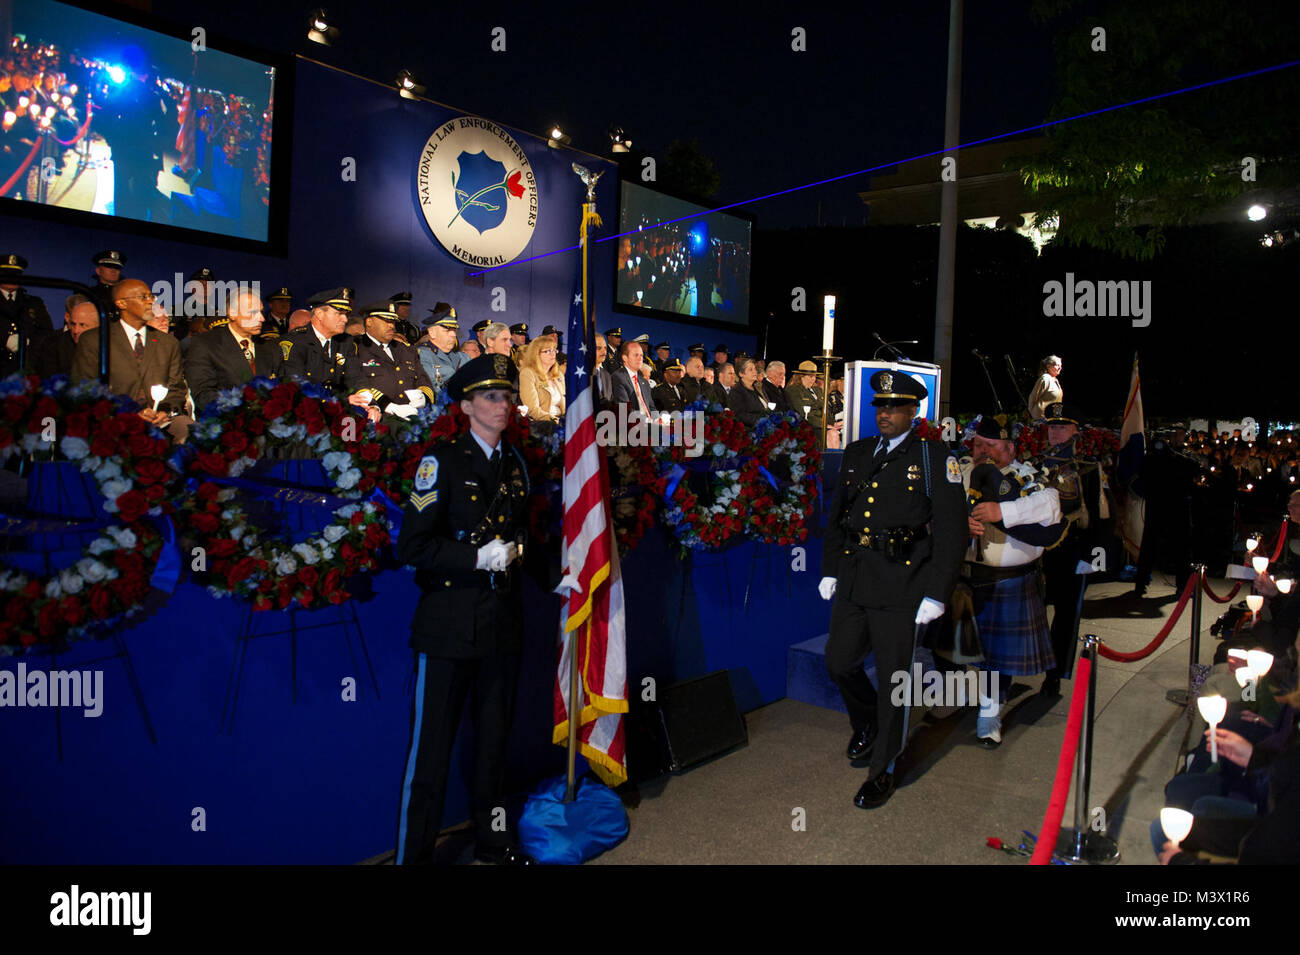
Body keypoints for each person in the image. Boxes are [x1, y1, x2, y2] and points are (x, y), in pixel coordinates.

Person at [393, 354, 536, 866]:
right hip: (449, 625)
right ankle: (413, 858)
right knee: (429, 755)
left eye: (508, 396)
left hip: (501, 622)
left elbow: (521, 532)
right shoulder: (442, 461)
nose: (504, 406)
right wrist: (476, 556)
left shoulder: (515, 464)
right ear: (466, 404)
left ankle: (493, 845)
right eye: (492, 397)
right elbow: (411, 546)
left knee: (494, 747)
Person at [819, 371, 967, 808]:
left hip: (903, 583)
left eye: (895, 408)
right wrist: (829, 569)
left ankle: (882, 767)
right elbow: (838, 515)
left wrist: (937, 593)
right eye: (880, 407)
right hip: (855, 576)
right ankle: (867, 722)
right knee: (838, 661)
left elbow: (953, 533)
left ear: (913, 412)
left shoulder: (935, 458)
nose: (885, 415)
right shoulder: (858, 452)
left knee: (894, 680)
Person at [962, 414, 1066, 745]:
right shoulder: (962, 472)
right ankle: (974, 697)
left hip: (1010, 579)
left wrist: (1002, 513)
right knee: (966, 650)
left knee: (996, 656)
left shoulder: (1026, 476)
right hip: (966, 577)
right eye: (978, 444)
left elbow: (1051, 505)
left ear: (1009, 448)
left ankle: (989, 714)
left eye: (990, 446)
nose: (983, 451)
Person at [1037, 402, 1110, 694]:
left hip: (1072, 549)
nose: (1055, 432)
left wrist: (1094, 558)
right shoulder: (1034, 461)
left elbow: (1100, 514)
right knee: (1034, 611)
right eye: (1052, 427)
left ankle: (1055, 674)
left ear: (1075, 431)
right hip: (1039, 550)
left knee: (1066, 616)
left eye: (1062, 427)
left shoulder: (1089, 466)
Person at [70, 279, 192, 441]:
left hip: (160, 420)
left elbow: (176, 388)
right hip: (112, 420)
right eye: (143, 297)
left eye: (151, 296)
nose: (151, 302)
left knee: (191, 431)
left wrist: (163, 412)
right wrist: (129, 414)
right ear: (121, 303)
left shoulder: (168, 343)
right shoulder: (95, 339)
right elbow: (85, 388)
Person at [184, 287, 283, 413]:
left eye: (261, 312)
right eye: (252, 312)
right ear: (232, 313)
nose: (261, 318)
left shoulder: (269, 346)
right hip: (226, 422)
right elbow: (203, 394)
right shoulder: (206, 344)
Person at [344, 301, 435, 420]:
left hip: (413, 417)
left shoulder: (406, 349)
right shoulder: (356, 348)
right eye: (386, 321)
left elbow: (424, 380)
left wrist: (423, 398)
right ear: (369, 322)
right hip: (378, 418)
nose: (391, 325)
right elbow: (357, 385)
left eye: (393, 321)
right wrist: (389, 406)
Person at [281, 287, 364, 401]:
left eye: (346, 314)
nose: (345, 319)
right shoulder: (295, 342)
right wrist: (344, 400)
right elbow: (298, 386)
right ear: (319, 314)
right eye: (339, 313)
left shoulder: (345, 341)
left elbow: (355, 377)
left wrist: (369, 402)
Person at [1, 253, 53, 376]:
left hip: (26, 367)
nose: (11, 278)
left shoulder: (33, 302)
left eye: (15, 275)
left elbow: (47, 332)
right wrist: (4, 339)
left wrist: (29, 342)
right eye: (7, 274)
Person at [30, 295, 97, 379]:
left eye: (82, 325)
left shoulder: (109, 346)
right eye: (73, 324)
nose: (76, 331)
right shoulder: (54, 346)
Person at [416, 303, 469, 398]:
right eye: (447, 330)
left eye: (454, 330)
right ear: (432, 333)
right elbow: (433, 390)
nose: (453, 334)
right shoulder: (423, 355)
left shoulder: (463, 357)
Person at [517, 334, 565, 425]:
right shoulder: (528, 373)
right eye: (548, 351)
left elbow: (565, 404)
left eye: (554, 350)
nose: (553, 353)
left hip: (561, 421)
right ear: (536, 354)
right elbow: (532, 410)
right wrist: (554, 420)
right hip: (542, 425)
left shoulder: (558, 375)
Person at [610, 340, 656, 416]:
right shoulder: (618, 377)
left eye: (641, 355)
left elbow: (651, 407)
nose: (640, 358)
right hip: (632, 424)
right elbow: (624, 408)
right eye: (636, 355)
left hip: (649, 424)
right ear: (625, 358)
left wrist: (658, 419)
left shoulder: (644, 381)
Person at [727, 357, 768, 428]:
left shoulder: (758, 388)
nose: (755, 372)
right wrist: (761, 421)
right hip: (749, 431)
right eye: (750, 369)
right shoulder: (737, 391)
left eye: (755, 368)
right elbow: (739, 415)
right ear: (741, 374)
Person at [86, 250, 127, 319]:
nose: (113, 270)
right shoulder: (88, 294)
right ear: (98, 271)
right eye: (109, 266)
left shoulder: (127, 295)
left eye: (116, 268)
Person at [1026, 355, 1063, 420]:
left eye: (1060, 365)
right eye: (1057, 365)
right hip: (1041, 420)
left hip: (1051, 420)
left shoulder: (1055, 380)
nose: (1060, 368)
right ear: (1048, 366)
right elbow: (1033, 397)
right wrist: (1033, 415)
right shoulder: (1045, 379)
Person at [591, 334, 613, 410]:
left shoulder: (607, 375)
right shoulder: (583, 374)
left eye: (605, 348)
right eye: (598, 348)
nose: (604, 351)